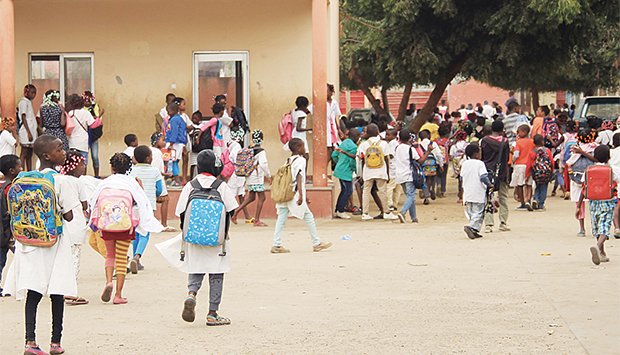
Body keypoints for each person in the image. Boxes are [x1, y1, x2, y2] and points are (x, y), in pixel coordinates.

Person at [4, 135, 80, 355]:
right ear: (47, 155)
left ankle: (30, 342)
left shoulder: (22, 179)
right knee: (58, 292)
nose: (63, 151)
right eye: (59, 149)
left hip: (29, 243)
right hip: (54, 243)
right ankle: (55, 343)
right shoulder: (61, 181)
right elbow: (69, 216)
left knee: (33, 292)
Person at [156, 149, 238, 326]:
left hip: (193, 237)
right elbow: (232, 209)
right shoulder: (221, 186)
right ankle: (212, 313)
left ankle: (191, 294)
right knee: (216, 273)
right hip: (217, 240)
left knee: (196, 267)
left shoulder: (190, 186)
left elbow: (180, 212)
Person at [89, 153, 163, 305]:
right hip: (124, 227)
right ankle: (118, 295)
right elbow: (142, 203)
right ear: (129, 168)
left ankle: (109, 281)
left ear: (111, 167)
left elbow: (93, 202)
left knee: (110, 255)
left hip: (106, 226)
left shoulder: (104, 183)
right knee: (122, 258)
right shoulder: (132, 183)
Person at [271, 138, 332, 253]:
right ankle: (316, 243)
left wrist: (304, 195)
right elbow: (299, 177)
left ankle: (276, 244)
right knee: (309, 217)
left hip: (285, 193)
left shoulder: (289, 160)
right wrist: (301, 195)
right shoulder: (301, 160)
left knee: (281, 218)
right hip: (294, 193)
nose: (305, 149)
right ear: (299, 148)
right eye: (303, 146)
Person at [577, 145, 619, 265]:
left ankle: (602, 252)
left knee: (596, 226)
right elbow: (617, 180)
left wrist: (578, 206)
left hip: (593, 202)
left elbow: (584, 188)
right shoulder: (611, 170)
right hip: (607, 201)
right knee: (605, 227)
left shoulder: (589, 170)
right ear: (609, 157)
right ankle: (598, 246)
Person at [59, 150, 90, 306]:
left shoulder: (58, 180)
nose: (83, 167)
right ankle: (71, 292)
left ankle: (57, 290)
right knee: (74, 258)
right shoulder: (78, 182)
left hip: (61, 225)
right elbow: (85, 204)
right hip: (76, 223)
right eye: (82, 164)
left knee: (60, 257)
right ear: (73, 166)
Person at [128, 146, 165, 273]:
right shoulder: (155, 171)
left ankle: (135, 259)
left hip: (133, 206)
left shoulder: (131, 171)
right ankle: (137, 256)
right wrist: (155, 194)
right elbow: (159, 190)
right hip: (148, 206)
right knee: (145, 232)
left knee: (136, 233)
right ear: (148, 158)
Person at [357, 124, 398, 221]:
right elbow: (386, 159)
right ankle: (386, 212)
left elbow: (361, 159)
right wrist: (387, 174)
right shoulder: (384, 144)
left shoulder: (363, 145)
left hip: (368, 171)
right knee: (382, 191)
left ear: (367, 133)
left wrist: (362, 174)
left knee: (366, 192)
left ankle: (365, 213)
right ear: (378, 132)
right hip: (381, 171)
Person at [232, 130, 271, 227]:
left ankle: (236, 212)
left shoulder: (249, 149)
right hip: (257, 177)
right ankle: (257, 220)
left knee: (251, 197)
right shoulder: (261, 151)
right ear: (262, 139)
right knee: (262, 197)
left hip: (249, 176)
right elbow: (263, 164)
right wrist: (269, 175)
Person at [393, 129, 430, 223]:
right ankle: (402, 212)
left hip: (400, 176)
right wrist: (428, 151)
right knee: (411, 196)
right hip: (409, 175)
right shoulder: (410, 149)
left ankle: (414, 218)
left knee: (410, 197)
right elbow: (420, 161)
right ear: (410, 138)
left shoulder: (397, 148)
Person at [567, 129, 598, 237]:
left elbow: (596, 159)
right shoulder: (589, 147)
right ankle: (585, 228)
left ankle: (585, 228)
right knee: (591, 204)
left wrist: (581, 152)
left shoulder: (592, 147)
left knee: (584, 204)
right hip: (584, 178)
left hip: (584, 178)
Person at [481, 120, 510, 233]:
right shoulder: (505, 141)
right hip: (502, 173)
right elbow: (506, 159)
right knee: (503, 198)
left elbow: (482, 157)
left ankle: (488, 224)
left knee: (488, 198)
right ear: (502, 129)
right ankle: (503, 222)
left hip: (488, 172)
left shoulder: (484, 141)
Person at [0, 154, 21, 296]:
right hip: (6, 231)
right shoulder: (11, 188)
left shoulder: (2, 185)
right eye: (19, 166)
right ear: (12, 171)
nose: (22, 168)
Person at [461, 143, 492, 239]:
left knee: (471, 212)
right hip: (478, 192)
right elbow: (483, 177)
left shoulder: (464, 164)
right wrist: (489, 184)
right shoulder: (480, 164)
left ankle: (474, 230)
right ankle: (471, 227)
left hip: (467, 193)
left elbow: (461, 177)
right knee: (478, 212)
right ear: (476, 154)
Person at [150, 132, 176, 232]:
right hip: (157, 179)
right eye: (162, 140)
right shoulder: (156, 152)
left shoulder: (151, 150)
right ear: (156, 142)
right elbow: (157, 169)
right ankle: (164, 224)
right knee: (165, 200)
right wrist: (166, 174)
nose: (164, 142)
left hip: (150, 179)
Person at [332, 129, 360, 219]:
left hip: (339, 169)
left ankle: (338, 209)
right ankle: (340, 210)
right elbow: (352, 162)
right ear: (356, 137)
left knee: (344, 190)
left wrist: (339, 162)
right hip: (346, 171)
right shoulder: (354, 148)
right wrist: (356, 171)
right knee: (348, 191)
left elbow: (334, 155)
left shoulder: (344, 142)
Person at [227, 129, 251, 223]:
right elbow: (234, 158)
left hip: (238, 173)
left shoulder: (231, 144)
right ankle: (231, 215)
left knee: (241, 194)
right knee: (232, 195)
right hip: (236, 173)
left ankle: (247, 216)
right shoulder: (237, 146)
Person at [66, 94, 96, 165]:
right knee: (83, 164)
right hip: (83, 141)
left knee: (73, 163)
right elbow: (92, 124)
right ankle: (83, 176)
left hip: (72, 141)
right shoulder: (86, 113)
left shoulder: (71, 113)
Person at [511, 125, 535, 211]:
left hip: (520, 164)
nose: (517, 133)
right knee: (529, 184)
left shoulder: (518, 142)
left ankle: (522, 203)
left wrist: (513, 160)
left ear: (524, 132)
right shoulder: (532, 142)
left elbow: (516, 154)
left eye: (518, 131)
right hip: (529, 165)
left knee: (520, 184)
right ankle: (528, 200)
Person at [164, 101, 187, 186]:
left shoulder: (174, 120)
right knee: (174, 161)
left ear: (173, 111)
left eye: (168, 111)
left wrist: (170, 144)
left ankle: (175, 179)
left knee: (171, 161)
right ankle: (173, 179)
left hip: (174, 143)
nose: (167, 113)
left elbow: (174, 132)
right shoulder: (180, 119)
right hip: (178, 143)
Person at [419, 129, 444, 205]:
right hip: (432, 164)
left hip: (423, 164)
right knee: (432, 178)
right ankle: (431, 189)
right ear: (428, 136)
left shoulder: (419, 144)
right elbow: (439, 155)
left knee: (424, 180)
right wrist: (441, 164)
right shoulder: (433, 144)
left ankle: (427, 195)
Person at [83, 91, 104, 178]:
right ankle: (84, 175)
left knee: (95, 156)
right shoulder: (81, 108)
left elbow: (97, 120)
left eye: (89, 99)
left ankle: (97, 175)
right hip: (84, 135)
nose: (87, 101)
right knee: (85, 157)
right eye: (85, 99)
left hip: (93, 135)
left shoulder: (95, 106)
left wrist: (97, 116)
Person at [18, 84, 38, 171]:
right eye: (32, 93)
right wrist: (28, 132)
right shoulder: (23, 102)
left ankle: (29, 171)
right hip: (26, 131)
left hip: (31, 131)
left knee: (30, 153)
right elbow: (23, 117)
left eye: (35, 93)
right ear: (26, 93)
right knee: (24, 152)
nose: (34, 95)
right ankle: (21, 171)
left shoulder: (29, 102)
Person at [531, 134, 553, 211]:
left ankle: (536, 199)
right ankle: (541, 204)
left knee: (537, 186)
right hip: (546, 172)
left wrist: (529, 172)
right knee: (544, 187)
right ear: (542, 141)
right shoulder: (547, 150)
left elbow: (530, 161)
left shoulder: (533, 151)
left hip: (536, 172)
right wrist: (551, 171)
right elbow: (551, 161)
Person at [173, 97, 192, 184]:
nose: (185, 106)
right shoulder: (175, 117)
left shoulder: (184, 116)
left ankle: (184, 177)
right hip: (177, 142)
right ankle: (175, 178)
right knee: (175, 159)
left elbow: (190, 125)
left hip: (184, 139)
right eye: (183, 104)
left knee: (185, 158)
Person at [450, 130, 469, 203]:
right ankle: (465, 195)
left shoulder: (454, 146)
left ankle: (460, 196)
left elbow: (451, 157)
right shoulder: (467, 145)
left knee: (460, 180)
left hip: (457, 163)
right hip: (466, 162)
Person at [385, 128, 401, 211]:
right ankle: (395, 203)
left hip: (392, 169)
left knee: (389, 187)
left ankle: (389, 203)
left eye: (388, 135)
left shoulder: (392, 143)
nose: (386, 136)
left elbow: (390, 155)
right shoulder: (397, 143)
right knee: (397, 188)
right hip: (398, 169)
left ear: (394, 136)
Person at [435, 124, 451, 198]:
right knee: (443, 176)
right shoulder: (447, 141)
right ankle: (442, 191)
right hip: (445, 160)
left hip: (437, 160)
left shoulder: (435, 141)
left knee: (437, 175)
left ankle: (438, 185)